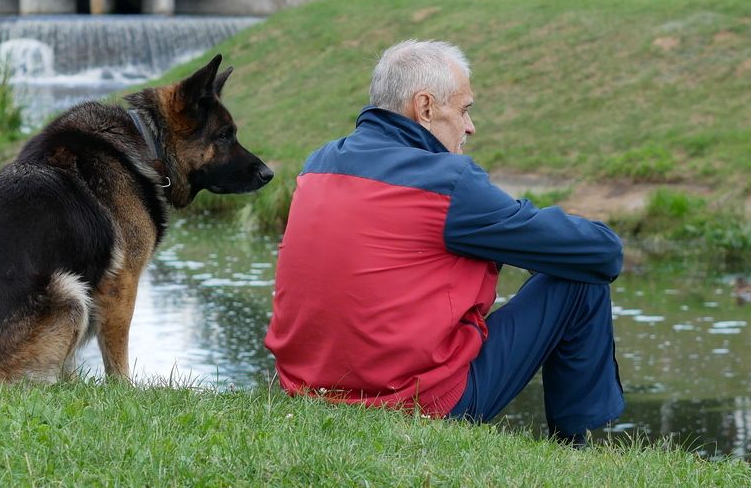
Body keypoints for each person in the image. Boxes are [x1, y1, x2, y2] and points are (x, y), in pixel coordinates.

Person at [264, 39, 624, 443]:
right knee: (581, 274)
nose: (470, 126)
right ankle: (575, 444)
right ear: (425, 107)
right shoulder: (448, 183)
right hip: (416, 402)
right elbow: (603, 253)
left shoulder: (319, 163)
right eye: (464, 109)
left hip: (306, 390)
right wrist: (529, 245)